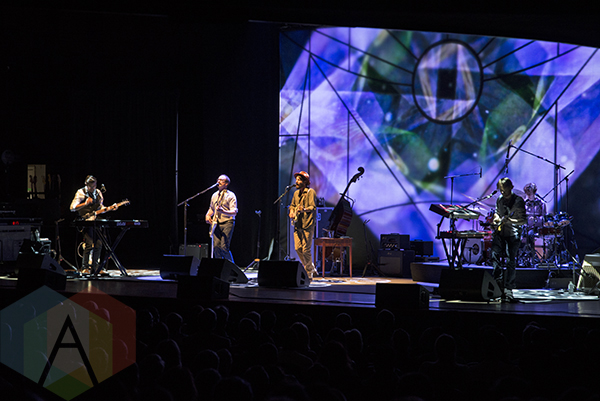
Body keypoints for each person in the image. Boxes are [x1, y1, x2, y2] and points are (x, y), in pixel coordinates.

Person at [70, 175, 119, 274]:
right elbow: (72, 208)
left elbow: (100, 208)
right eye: (90, 187)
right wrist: (85, 204)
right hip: (85, 221)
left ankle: (96, 267)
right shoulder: (80, 193)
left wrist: (110, 208)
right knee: (89, 244)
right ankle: (85, 267)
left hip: (95, 221)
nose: (92, 188)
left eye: (94, 186)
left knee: (99, 244)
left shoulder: (98, 193)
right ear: (86, 185)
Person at [491, 177, 526, 302]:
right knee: (494, 255)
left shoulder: (518, 201)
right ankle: (498, 285)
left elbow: (523, 221)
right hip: (500, 233)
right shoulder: (500, 199)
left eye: (504, 189)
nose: (502, 192)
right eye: (501, 190)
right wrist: (496, 218)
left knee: (511, 261)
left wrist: (510, 220)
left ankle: (508, 288)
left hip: (513, 234)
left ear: (511, 187)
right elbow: (497, 213)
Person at [288, 171, 318, 280]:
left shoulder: (311, 192)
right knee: (297, 248)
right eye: (296, 179)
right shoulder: (296, 193)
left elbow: (312, 207)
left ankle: (308, 271)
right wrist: (291, 212)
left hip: (307, 224)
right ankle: (310, 267)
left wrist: (303, 209)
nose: (296, 181)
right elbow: (292, 205)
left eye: (299, 180)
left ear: (305, 182)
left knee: (306, 250)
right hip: (297, 224)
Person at [205, 175, 237, 262]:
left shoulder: (231, 195)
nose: (218, 182)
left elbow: (234, 211)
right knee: (216, 247)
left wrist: (223, 211)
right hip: (217, 223)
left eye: (221, 180)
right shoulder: (214, 195)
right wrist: (208, 215)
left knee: (224, 247)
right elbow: (212, 208)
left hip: (227, 222)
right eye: (218, 180)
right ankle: (219, 267)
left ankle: (232, 267)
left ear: (226, 183)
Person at [523, 182, 546, 262]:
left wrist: (535, 219)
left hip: (536, 228)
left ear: (534, 192)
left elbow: (543, 219)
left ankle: (532, 256)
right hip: (525, 227)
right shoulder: (524, 203)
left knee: (530, 234)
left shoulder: (540, 203)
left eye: (530, 194)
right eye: (527, 194)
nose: (529, 196)